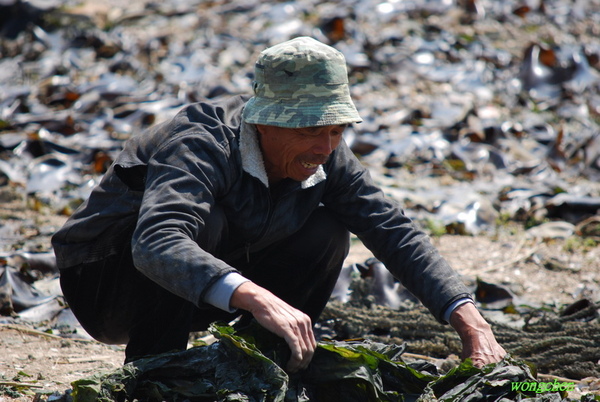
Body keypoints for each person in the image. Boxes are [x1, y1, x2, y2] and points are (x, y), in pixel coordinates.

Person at [52, 36, 506, 373]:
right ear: (264, 122)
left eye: (336, 129)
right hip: (106, 283)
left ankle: (263, 368)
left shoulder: (327, 154)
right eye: (309, 130)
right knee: (198, 225)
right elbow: (155, 242)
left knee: (327, 232)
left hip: (215, 283)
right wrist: (258, 297)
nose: (325, 146)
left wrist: (470, 321)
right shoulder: (202, 141)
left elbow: (393, 230)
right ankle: (157, 372)